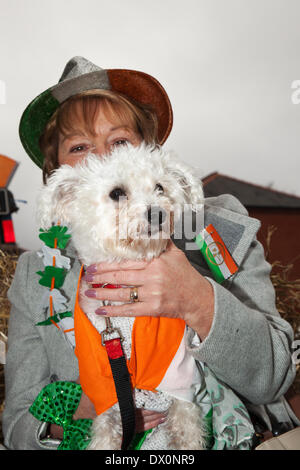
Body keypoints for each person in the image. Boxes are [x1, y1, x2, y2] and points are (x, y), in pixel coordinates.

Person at [2, 56, 300, 450]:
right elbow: (17, 423)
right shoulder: (37, 271)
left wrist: (196, 300)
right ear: (59, 175)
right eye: (79, 147)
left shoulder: (216, 227)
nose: (104, 161)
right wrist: (76, 418)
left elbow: (274, 377)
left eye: (120, 142)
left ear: (149, 152)